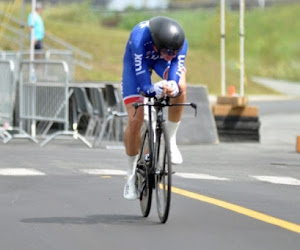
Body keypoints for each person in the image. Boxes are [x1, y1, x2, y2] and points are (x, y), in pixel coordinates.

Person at [121, 16, 188, 200]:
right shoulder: (139, 37)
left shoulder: (179, 45)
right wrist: (151, 89)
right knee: (135, 119)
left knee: (181, 87)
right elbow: (142, 78)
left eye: (175, 51)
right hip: (137, 65)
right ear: (157, 44)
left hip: (159, 63)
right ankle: (131, 174)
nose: (171, 55)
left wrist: (173, 85)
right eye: (168, 51)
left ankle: (171, 139)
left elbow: (175, 65)